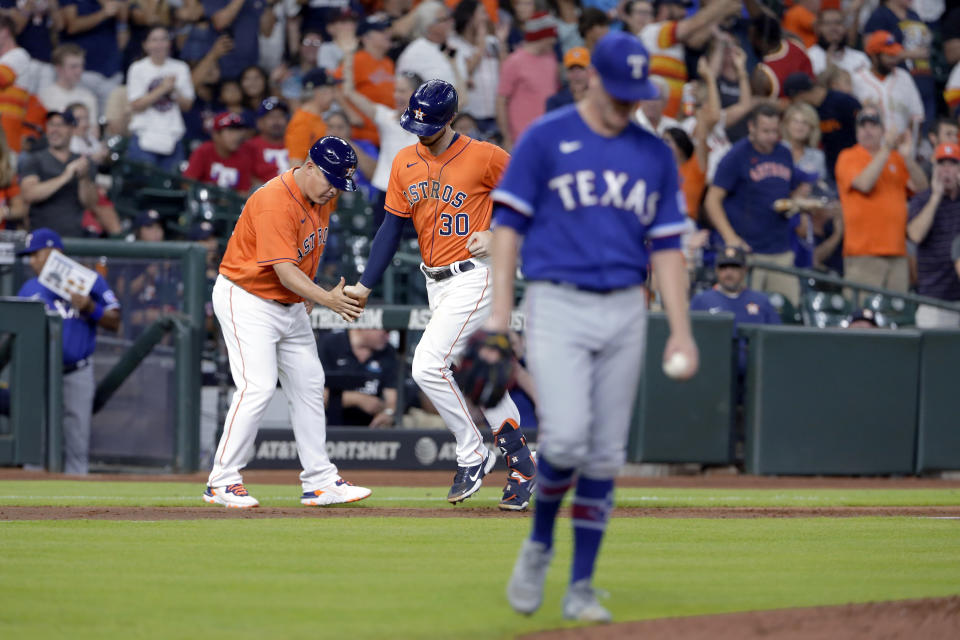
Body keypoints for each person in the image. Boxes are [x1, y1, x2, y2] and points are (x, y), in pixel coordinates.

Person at [488, 32, 697, 623]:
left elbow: (668, 248)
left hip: (627, 307)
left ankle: (580, 586)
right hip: (558, 301)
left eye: (640, 94)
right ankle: (538, 546)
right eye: (622, 92)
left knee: (604, 456)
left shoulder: (654, 152)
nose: (632, 105)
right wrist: (502, 317)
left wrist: (679, 329)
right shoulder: (547, 138)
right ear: (593, 79)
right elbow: (506, 229)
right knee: (570, 438)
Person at [343, 79, 538, 511]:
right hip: (436, 282)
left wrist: (500, 233)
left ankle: (472, 453)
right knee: (475, 376)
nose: (421, 130)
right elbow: (390, 230)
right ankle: (522, 463)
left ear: (451, 117)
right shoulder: (403, 161)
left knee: (428, 365)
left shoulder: (485, 155)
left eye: (429, 123)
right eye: (416, 122)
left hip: (477, 275)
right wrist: (364, 284)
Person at [203, 136, 370, 509]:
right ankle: (222, 480)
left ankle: (320, 481)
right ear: (308, 166)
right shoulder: (274, 200)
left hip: (288, 302)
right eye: (330, 180)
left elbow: (306, 251)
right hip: (246, 298)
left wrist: (306, 297)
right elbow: (282, 267)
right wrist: (323, 297)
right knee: (258, 386)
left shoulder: (320, 195)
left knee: (310, 383)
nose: (334, 191)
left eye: (340, 184)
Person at [17, 228, 121, 473]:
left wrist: (89, 307)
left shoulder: (89, 281)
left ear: (55, 252)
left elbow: (115, 321)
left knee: (77, 446)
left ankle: (79, 508)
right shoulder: (29, 287)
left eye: (36, 254)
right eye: (29, 256)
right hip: (39, 372)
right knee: (35, 445)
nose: (31, 261)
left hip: (77, 372)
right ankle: (31, 508)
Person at [704, 104, 803, 305]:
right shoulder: (736, 155)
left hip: (780, 249)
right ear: (752, 127)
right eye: (765, 131)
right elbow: (712, 200)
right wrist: (730, 237)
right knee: (747, 309)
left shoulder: (783, 153)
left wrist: (798, 202)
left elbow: (792, 188)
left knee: (790, 308)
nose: (771, 137)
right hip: (749, 252)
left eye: (775, 131)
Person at [835, 107, 927, 296]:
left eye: (873, 125)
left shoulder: (896, 158)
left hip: (897, 253)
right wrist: (886, 148)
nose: (868, 130)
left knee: (896, 317)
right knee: (862, 317)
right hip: (863, 254)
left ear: (882, 130)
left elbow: (922, 188)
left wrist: (908, 158)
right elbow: (864, 184)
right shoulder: (848, 156)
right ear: (856, 131)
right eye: (863, 126)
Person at [19, 111, 119, 237]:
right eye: (51, 125)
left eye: (60, 125)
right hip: (42, 238)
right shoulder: (35, 159)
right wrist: (65, 176)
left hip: (75, 236)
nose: (54, 130)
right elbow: (29, 194)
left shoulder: (84, 162)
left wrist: (84, 178)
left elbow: (90, 203)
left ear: (72, 129)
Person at [126, 26, 195, 172]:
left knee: (173, 189)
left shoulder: (180, 68)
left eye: (164, 39)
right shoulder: (137, 68)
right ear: (145, 45)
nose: (159, 44)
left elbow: (187, 105)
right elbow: (136, 104)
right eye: (154, 40)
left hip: (172, 137)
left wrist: (173, 91)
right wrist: (163, 89)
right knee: (143, 187)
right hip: (143, 137)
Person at [907, 143, 960, 328]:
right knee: (935, 356)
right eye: (941, 164)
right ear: (934, 168)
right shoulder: (922, 199)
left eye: (952, 164)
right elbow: (915, 235)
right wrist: (936, 197)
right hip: (933, 300)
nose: (947, 170)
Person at [495, 11, 558, 151]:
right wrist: (507, 137)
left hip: (548, 136)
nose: (555, 40)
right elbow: (501, 101)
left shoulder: (551, 58)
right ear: (542, 36)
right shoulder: (514, 62)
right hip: (522, 139)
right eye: (552, 36)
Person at [784, 72, 861, 182]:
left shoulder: (844, 102)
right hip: (830, 167)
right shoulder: (810, 111)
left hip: (854, 164)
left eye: (793, 99)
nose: (794, 103)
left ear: (800, 95)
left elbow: (864, 129)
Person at [317, 328, 399, 428]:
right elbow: (318, 396)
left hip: (370, 425)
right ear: (365, 327)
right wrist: (358, 399)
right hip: (328, 421)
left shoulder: (388, 350)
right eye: (385, 331)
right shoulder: (330, 343)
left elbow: (391, 397)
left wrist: (388, 413)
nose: (388, 337)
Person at [851, 30, 923, 137]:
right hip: (869, 147)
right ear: (874, 56)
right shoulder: (856, 79)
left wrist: (909, 142)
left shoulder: (904, 77)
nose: (894, 60)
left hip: (900, 148)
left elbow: (917, 117)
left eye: (895, 54)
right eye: (889, 55)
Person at [183, 111, 256, 191]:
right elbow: (186, 184)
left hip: (231, 202)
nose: (237, 136)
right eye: (231, 131)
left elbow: (244, 192)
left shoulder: (244, 157)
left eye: (238, 131)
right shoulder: (204, 151)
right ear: (216, 134)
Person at [37, 44, 99, 130]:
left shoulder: (88, 97)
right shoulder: (45, 96)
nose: (79, 71)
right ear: (58, 68)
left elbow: (94, 131)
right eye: (73, 67)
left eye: (81, 66)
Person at [284, 67, 338, 166]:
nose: (334, 96)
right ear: (319, 92)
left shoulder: (317, 117)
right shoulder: (302, 121)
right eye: (332, 91)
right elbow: (295, 165)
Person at [806, 8, 870, 76]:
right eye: (828, 23)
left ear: (845, 27)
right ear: (818, 28)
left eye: (838, 23)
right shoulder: (810, 58)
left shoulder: (860, 58)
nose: (833, 28)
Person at [245, 96, 290, 182]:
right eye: (271, 117)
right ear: (259, 123)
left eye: (280, 116)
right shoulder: (250, 146)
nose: (277, 121)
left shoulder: (297, 143)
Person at [546, 46, 589, 112]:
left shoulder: (601, 99)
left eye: (581, 68)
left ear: (591, 71)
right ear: (566, 74)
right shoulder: (555, 102)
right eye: (571, 69)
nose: (576, 74)